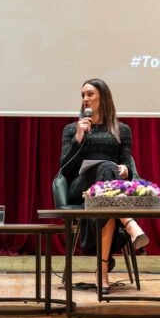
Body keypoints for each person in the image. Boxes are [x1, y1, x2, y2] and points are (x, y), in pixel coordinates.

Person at [58, 79, 148, 294]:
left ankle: (103, 272)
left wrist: (125, 169)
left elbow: (126, 164)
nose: (85, 99)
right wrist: (78, 138)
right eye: (83, 95)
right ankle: (129, 222)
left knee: (107, 194)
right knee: (106, 169)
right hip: (80, 188)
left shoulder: (122, 129)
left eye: (90, 94)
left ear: (103, 97)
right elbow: (65, 169)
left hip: (107, 191)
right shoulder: (72, 129)